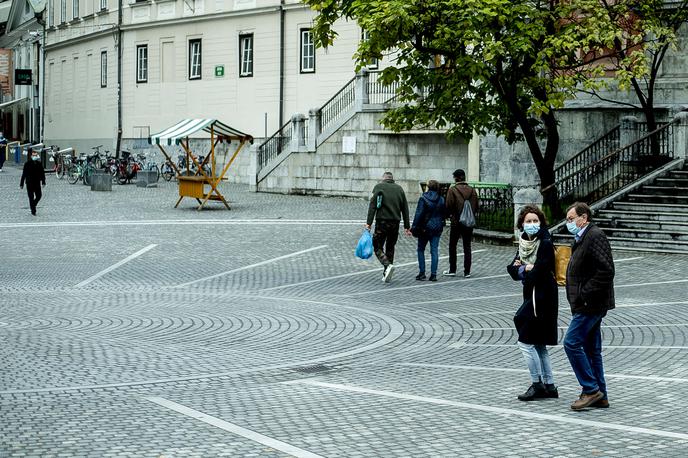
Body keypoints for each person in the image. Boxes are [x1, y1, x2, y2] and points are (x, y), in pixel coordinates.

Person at [563, 202, 615, 410]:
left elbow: (606, 270)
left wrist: (584, 294)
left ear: (583, 218)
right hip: (587, 303)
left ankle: (591, 389)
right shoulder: (583, 237)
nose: (569, 223)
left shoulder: (594, 235)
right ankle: (600, 395)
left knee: (571, 343)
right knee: (592, 350)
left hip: (590, 304)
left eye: (571, 218)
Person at [507, 205, 559, 401]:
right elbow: (512, 268)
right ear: (522, 224)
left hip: (543, 296)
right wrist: (525, 269)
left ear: (541, 222)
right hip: (533, 294)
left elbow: (542, 270)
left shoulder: (545, 241)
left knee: (525, 340)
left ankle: (537, 384)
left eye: (535, 221)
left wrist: (527, 269)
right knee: (538, 344)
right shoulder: (524, 243)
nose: (532, 224)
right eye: (528, 221)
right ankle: (550, 385)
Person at [366, 171, 411, 282]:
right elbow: (405, 208)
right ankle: (386, 272)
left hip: (382, 222)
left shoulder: (379, 187)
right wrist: (407, 226)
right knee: (390, 247)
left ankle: (387, 264)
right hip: (395, 223)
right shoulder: (399, 189)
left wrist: (369, 223)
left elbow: (372, 206)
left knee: (377, 246)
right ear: (392, 179)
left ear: (384, 179)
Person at [444, 169, 478, 278]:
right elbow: (477, 206)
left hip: (456, 222)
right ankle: (467, 271)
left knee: (452, 245)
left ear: (456, 178)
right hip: (468, 222)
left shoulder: (452, 190)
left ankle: (452, 269)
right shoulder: (472, 190)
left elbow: (448, 205)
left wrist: (450, 215)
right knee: (467, 246)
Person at [411, 180, 446, 282]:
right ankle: (433, 274)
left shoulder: (423, 198)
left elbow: (418, 214)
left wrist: (414, 227)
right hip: (437, 227)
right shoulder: (441, 199)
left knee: (421, 249)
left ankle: (422, 273)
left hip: (424, 228)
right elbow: (444, 214)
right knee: (434, 251)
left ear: (428, 187)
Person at [20, 149, 46, 216]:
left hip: (37, 182)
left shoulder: (39, 163)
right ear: (31, 156)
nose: (35, 156)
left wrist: (43, 181)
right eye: (33, 155)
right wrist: (21, 183)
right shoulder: (27, 164)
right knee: (31, 197)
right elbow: (24, 174)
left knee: (39, 196)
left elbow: (42, 173)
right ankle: (33, 210)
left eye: (36, 155)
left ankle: (33, 205)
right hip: (29, 183)